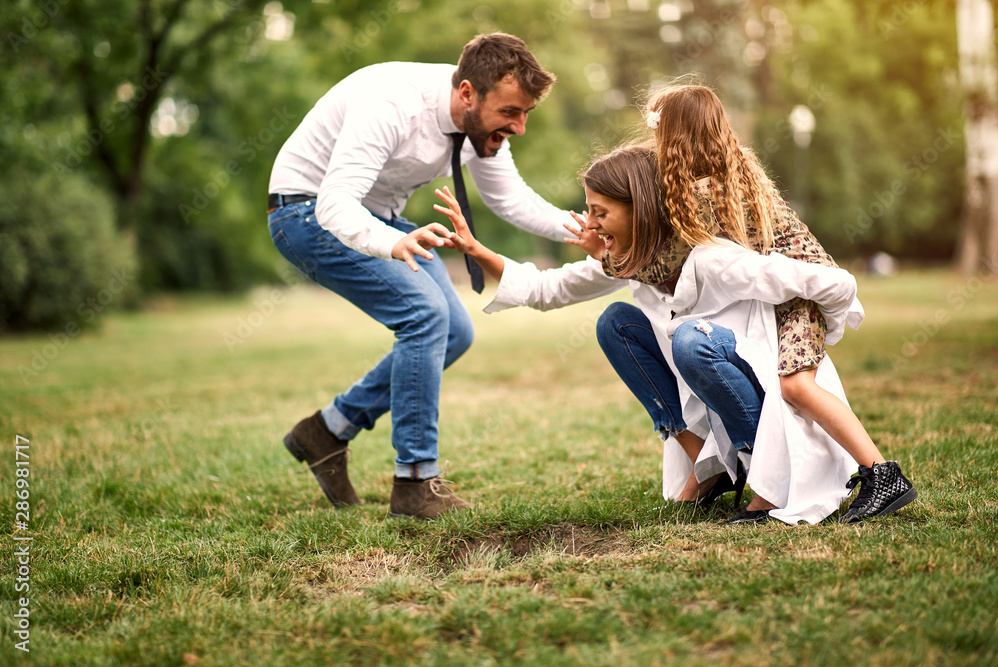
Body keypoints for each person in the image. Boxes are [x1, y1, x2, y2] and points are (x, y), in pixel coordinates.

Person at [433, 143, 864, 525]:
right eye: (590, 211)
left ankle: (764, 474)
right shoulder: (631, 259)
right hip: (708, 403)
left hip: (760, 403)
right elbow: (547, 289)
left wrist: (830, 325)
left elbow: (820, 280)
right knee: (616, 322)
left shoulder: (708, 256)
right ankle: (706, 466)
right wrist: (476, 249)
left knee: (691, 341)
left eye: (601, 212)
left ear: (639, 209)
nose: (592, 224)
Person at [266, 33, 576, 519]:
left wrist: (587, 229)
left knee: (455, 331)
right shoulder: (393, 104)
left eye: (525, 115)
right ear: (469, 93)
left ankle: (327, 429)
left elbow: (510, 199)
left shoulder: (477, 126)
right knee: (425, 315)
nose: (518, 127)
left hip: (379, 217)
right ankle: (414, 483)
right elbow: (334, 203)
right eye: (511, 112)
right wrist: (391, 242)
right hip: (306, 213)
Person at [610, 84, 916, 523]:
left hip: (800, 293)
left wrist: (609, 255)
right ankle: (769, 475)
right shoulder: (727, 172)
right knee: (786, 388)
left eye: (659, 131)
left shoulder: (707, 192)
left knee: (796, 386)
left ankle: (882, 474)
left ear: (677, 135)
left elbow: (664, 264)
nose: (654, 141)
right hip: (784, 294)